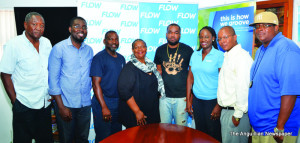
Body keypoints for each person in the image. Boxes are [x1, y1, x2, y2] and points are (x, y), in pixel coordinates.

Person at [0, 12, 53, 143]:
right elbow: (5, 74)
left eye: (42, 25)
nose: (38, 28)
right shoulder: (14, 44)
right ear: (25, 25)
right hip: (24, 104)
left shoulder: (46, 43)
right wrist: (15, 102)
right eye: (34, 24)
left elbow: (49, 70)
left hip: (44, 104)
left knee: (45, 140)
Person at [248, 11, 300, 143]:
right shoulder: (261, 50)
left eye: (265, 25)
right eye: (257, 26)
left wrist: (280, 127)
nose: (260, 29)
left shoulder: (287, 49)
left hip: (276, 130)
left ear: (276, 27)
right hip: (258, 126)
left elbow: (290, 92)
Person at [48, 17, 93, 143]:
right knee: (66, 139)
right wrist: (61, 107)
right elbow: (53, 79)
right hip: (66, 104)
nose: (81, 29)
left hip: (85, 104)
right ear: (70, 29)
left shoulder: (89, 50)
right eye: (77, 26)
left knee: (83, 139)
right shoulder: (59, 48)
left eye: (84, 27)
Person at [186, 26, 223, 141]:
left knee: (213, 134)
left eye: (206, 37)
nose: (203, 40)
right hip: (197, 101)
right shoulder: (195, 55)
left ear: (213, 38)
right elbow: (190, 78)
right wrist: (188, 100)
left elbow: (224, 81)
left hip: (212, 101)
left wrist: (219, 105)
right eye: (201, 37)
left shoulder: (219, 55)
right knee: (200, 133)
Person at [217, 26, 253, 143]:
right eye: (219, 39)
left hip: (237, 114)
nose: (222, 41)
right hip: (227, 112)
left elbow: (243, 87)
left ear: (235, 37)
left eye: (225, 37)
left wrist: (238, 114)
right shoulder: (228, 55)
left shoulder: (241, 57)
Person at [118, 39, 164, 128]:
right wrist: (137, 111)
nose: (140, 49)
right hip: (137, 114)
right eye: (136, 47)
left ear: (146, 49)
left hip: (152, 113)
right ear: (132, 50)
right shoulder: (129, 68)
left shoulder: (151, 65)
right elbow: (124, 91)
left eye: (142, 47)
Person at [154, 23, 193, 126]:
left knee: (181, 130)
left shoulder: (188, 50)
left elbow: (191, 74)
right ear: (166, 34)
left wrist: (190, 97)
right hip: (164, 97)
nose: (172, 35)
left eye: (176, 33)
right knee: (164, 128)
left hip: (182, 98)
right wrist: (158, 92)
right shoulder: (160, 50)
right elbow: (159, 72)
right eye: (170, 32)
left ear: (180, 35)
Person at [90, 30, 125, 142]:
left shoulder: (121, 58)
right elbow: (95, 85)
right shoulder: (99, 58)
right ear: (105, 41)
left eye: (116, 39)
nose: (114, 42)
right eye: (110, 39)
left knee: (117, 136)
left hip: (118, 102)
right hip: (103, 102)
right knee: (103, 137)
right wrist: (104, 107)